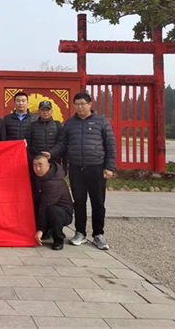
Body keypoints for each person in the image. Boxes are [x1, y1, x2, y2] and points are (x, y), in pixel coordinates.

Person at [50, 92, 116, 250]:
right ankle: (80, 233)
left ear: (90, 104)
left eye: (82, 104)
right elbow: (62, 144)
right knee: (79, 202)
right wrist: (50, 154)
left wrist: (109, 167)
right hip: (76, 168)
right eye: (77, 104)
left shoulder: (101, 122)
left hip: (96, 167)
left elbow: (110, 145)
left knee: (98, 202)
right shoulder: (70, 123)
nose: (80, 107)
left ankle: (98, 234)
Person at [32, 155, 73, 250]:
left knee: (53, 210)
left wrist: (40, 229)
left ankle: (58, 239)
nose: (37, 169)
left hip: (61, 214)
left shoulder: (54, 182)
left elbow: (46, 206)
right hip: (47, 208)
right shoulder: (40, 176)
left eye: (40, 165)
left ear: (48, 165)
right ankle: (47, 230)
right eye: (34, 165)